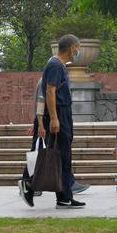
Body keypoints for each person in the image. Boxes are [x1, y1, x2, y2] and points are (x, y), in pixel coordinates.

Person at [18, 78, 90, 207]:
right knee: (41, 155)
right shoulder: (49, 77)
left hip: (48, 120)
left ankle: (64, 192)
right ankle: (28, 183)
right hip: (46, 121)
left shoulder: (56, 76)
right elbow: (41, 100)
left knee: (52, 155)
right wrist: (39, 123)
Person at [37, 34, 85, 208]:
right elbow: (50, 92)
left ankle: (65, 196)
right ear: (72, 48)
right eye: (78, 48)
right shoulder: (55, 65)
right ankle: (63, 197)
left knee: (65, 154)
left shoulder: (59, 65)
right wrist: (55, 118)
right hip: (59, 112)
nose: (79, 52)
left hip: (64, 112)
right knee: (63, 155)